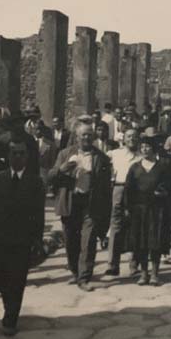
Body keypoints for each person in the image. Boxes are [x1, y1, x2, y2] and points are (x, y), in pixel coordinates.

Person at [0, 135, 45, 334]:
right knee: (1, 276)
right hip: (1, 238)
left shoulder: (35, 183)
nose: (17, 157)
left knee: (18, 278)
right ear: (8, 156)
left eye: (21, 153)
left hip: (23, 239)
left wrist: (38, 240)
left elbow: (39, 214)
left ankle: (11, 317)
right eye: (14, 153)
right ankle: (10, 307)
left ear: (27, 157)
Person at [48, 121, 113, 290]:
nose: (87, 137)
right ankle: (75, 272)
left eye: (90, 134)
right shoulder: (64, 154)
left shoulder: (102, 158)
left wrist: (105, 210)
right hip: (70, 202)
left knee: (88, 240)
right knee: (71, 241)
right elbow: (51, 177)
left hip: (90, 204)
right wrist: (62, 169)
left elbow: (106, 187)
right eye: (83, 134)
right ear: (76, 137)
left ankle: (85, 277)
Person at [124, 129, 171, 286]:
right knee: (142, 242)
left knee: (155, 242)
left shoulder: (162, 166)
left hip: (157, 210)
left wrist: (163, 192)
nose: (145, 150)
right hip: (139, 210)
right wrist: (127, 208)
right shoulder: (134, 168)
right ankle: (143, 274)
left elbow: (169, 187)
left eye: (148, 147)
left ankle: (155, 274)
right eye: (142, 147)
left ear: (153, 149)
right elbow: (128, 189)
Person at [103, 126, 141, 278]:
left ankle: (134, 265)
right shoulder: (115, 154)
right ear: (123, 139)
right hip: (118, 190)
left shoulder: (142, 155)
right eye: (129, 136)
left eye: (134, 136)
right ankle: (113, 265)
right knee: (116, 227)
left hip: (136, 193)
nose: (131, 139)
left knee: (135, 227)